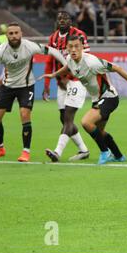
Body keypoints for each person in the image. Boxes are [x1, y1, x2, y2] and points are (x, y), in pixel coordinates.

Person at [40, 35, 127, 165]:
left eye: (77, 46)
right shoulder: (69, 59)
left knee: (86, 122)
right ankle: (118, 156)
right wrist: (54, 75)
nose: (73, 50)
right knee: (100, 131)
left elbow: (118, 68)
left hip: (109, 97)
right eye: (70, 47)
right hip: (97, 99)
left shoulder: (92, 62)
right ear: (66, 48)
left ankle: (104, 152)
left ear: (82, 47)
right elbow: (68, 67)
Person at [0, 22, 69, 162]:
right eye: (10, 33)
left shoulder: (30, 46)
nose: (13, 36)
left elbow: (52, 51)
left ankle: (26, 152)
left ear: (21, 34)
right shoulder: (0, 51)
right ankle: (0, 148)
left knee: (24, 114)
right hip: (8, 87)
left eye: (16, 33)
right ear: (7, 35)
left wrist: (67, 65)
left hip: (26, 86)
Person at [43, 11, 90, 162]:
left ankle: (57, 152)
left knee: (68, 117)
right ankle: (83, 150)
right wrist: (47, 84)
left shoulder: (79, 35)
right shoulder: (53, 37)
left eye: (66, 18)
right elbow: (50, 61)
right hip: (61, 83)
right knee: (64, 119)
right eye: (60, 18)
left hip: (77, 80)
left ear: (71, 21)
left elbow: (85, 59)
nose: (62, 21)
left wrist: (68, 76)